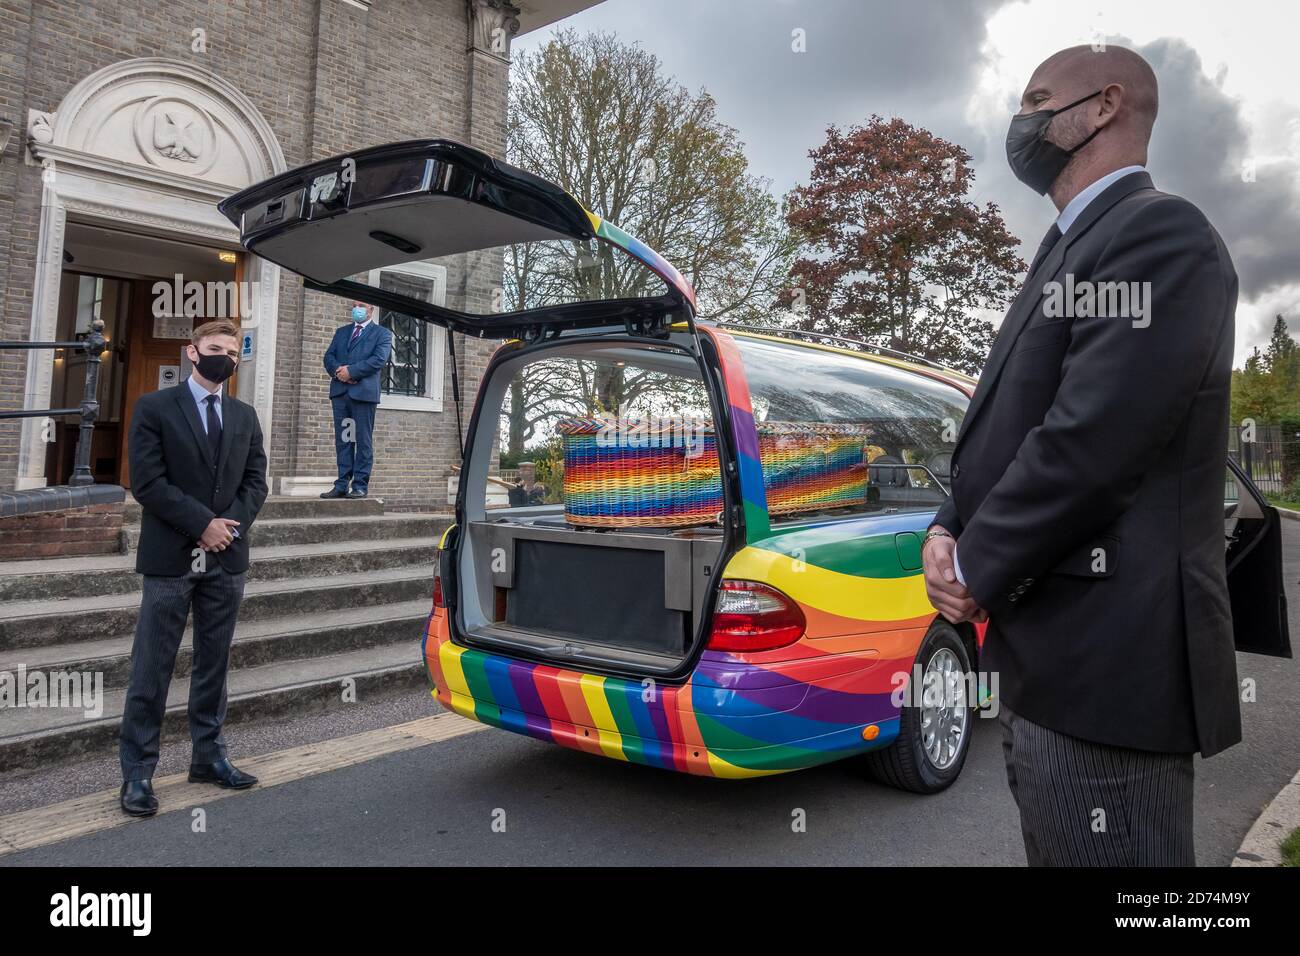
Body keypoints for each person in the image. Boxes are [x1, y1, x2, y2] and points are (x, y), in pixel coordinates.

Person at [922, 45, 1240, 866]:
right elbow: (1008, 425)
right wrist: (948, 519)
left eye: (1036, 100)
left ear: (1103, 107)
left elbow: (1089, 443)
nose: (1019, 123)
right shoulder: (1068, 246)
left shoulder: (1158, 233)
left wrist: (972, 564)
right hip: (1049, 663)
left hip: (1107, 675)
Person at [120, 319, 268, 816]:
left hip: (226, 560)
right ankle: (138, 774)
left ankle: (208, 756)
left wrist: (228, 529)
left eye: (232, 351)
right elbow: (147, 482)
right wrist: (203, 524)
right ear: (191, 352)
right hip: (170, 559)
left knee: (214, 664)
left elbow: (255, 482)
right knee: (152, 667)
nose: (224, 357)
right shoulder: (154, 407)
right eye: (214, 349)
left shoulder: (245, 415)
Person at [321, 301, 393, 499]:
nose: (357, 308)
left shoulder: (382, 334)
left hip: (363, 395)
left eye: (361, 305)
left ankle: (360, 485)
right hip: (341, 394)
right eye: (354, 305)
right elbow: (329, 356)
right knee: (344, 440)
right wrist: (338, 372)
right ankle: (342, 483)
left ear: (372, 308)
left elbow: (378, 360)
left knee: (362, 440)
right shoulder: (342, 332)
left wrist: (351, 372)